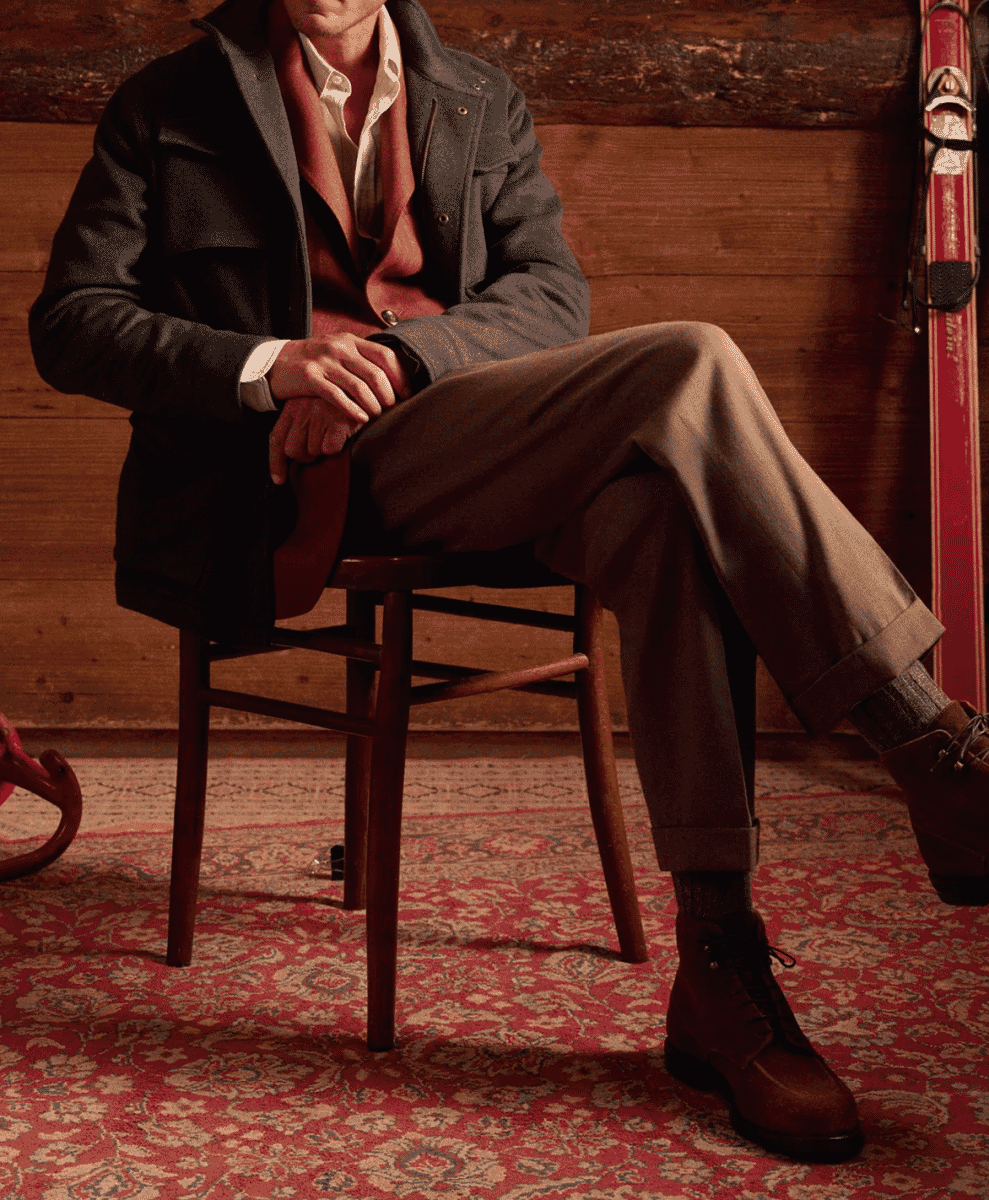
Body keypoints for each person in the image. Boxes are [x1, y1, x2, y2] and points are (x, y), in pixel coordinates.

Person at [29, 0, 989, 1165]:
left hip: (462, 437)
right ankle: (926, 744)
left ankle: (718, 967)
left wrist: (398, 357)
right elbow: (73, 323)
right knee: (688, 359)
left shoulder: (477, 96)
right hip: (282, 485)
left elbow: (549, 297)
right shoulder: (167, 103)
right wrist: (274, 369)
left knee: (658, 523)